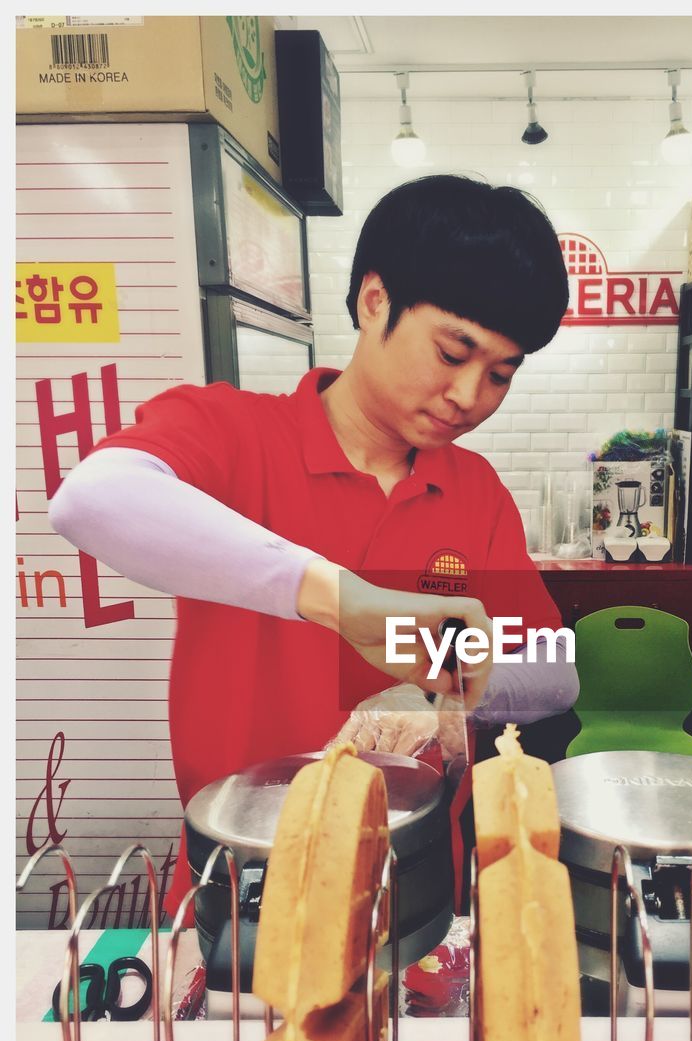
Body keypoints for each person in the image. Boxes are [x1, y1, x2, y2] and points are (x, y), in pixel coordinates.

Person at [50, 174, 579, 915]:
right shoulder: (236, 434)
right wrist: (341, 599)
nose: (470, 396)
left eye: (500, 374)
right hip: (245, 875)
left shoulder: (475, 489)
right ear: (374, 301)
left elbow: (557, 672)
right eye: (452, 352)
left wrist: (445, 699)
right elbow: (91, 499)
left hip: (415, 874)